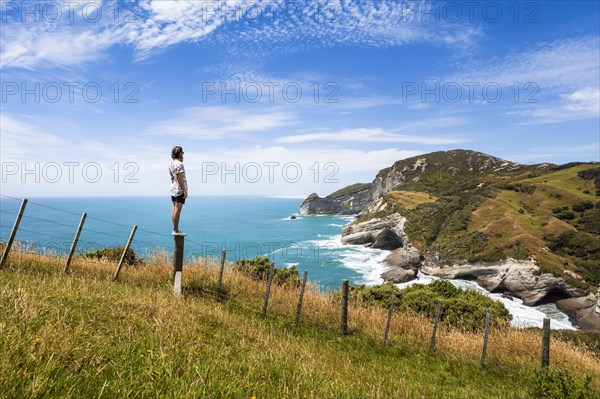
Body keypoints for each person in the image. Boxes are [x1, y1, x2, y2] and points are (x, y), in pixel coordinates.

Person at [169, 146, 188, 236]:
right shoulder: (180, 164)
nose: (183, 155)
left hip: (173, 188)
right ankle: (176, 230)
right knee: (178, 209)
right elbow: (180, 178)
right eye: (182, 153)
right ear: (180, 154)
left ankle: (174, 229)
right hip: (179, 189)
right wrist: (184, 190)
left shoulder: (171, 163)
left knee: (174, 209)